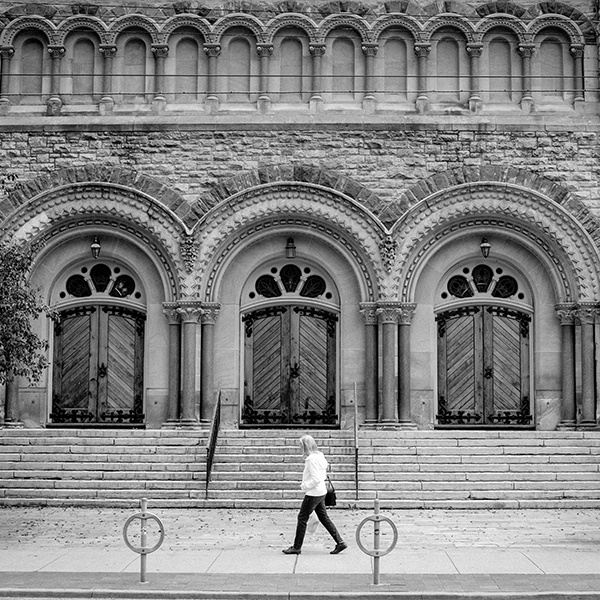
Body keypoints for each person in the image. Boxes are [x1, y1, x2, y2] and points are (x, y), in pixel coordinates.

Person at [282, 434, 347, 555]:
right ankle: (340, 542)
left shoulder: (311, 460)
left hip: (313, 493)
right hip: (321, 491)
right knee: (324, 518)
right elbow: (322, 475)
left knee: (302, 518)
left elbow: (316, 478)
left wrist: (304, 486)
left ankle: (296, 547)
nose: (300, 448)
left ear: (305, 446)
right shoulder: (320, 456)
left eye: (301, 445)